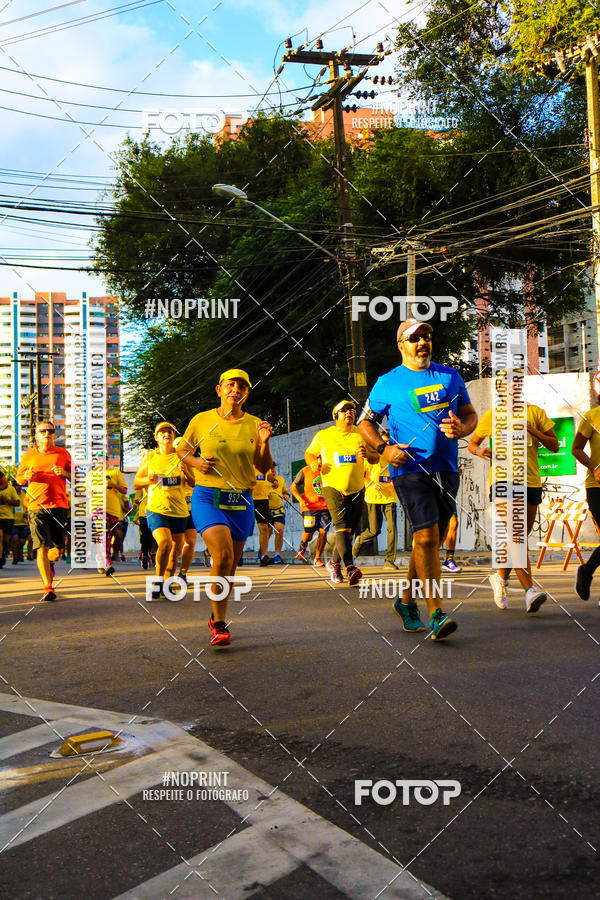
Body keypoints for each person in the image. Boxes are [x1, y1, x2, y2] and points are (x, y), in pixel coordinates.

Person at [358, 319, 477, 640]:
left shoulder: (449, 376)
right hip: (410, 469)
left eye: (426, 337)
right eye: (414, 338)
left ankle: (406, 601)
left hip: (447, 469)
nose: (422, 342)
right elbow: (364, 423)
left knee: (431, 542)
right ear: (401, 345)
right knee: (425, 538)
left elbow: (469, 414)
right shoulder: (387, 383)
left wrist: (464, 429)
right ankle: (437, 612)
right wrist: (384, 449)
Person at [177, 368, 273, 646]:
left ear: (247, 393)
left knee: (230, 564)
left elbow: (264, 467)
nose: (236, 391)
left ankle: (216, 613)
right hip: (208, 495)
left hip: (241, 499)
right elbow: (181, 449)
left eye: (242, 387)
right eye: (230, 385)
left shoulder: (256, 424)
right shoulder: (202, 420)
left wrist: (264, 444)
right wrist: (195, 463)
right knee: (222, 554)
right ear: (219, 390)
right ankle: (219, 625)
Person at [468, 402, 558, 612]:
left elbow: (554, 445)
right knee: (516, 533)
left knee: (517, 537)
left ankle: (500, 578)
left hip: (531, 481)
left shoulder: (535, 413)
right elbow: (473, 444)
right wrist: (479, 451)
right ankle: (530, 591)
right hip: (502, 481)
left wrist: (532, 429)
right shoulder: (492, 416)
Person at [306, 400, 378, 585]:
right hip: (332, 487)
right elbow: (309, 453)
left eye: (352, 410)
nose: (349, 413)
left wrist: (367, 455)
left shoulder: (361, 433)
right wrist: (314, 462)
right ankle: (350, 567)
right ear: (335, 415)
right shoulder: (324, 435)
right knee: (342, 527)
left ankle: (334, 564)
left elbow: (375, 457)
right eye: (344, 410)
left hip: (356, 489)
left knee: (349, 533)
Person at [134, 422, 193, 599]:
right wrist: (149, 480)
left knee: (175, 550)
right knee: (165, 542)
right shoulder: (150, 457)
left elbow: (193, 483)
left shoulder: (182, 457)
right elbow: (137, 482)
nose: (166, 435)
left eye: (170, 432)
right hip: (156, 509)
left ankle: (168, 583)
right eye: (162, 432)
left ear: (174, 436)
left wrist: (186, 473)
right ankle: (158, 580)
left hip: (179, 510)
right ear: (156, 437)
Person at [16, 420, 71, 602]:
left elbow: (77, 477)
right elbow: (20, 480)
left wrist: (65, 474)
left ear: (54, 434)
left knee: (57, 550)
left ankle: (50, 564)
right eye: (43, 431)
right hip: (36, 507)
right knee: (42, 546)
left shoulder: (63, 454)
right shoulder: (28, 456)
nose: (47, 434)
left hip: (59, 506)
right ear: (37, 435)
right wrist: (26, 476)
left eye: (50, 431)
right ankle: (48, 587)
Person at [571, 398, 600, 602]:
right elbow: (576, 448)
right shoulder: (592, 417)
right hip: (597, 486)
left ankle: (587, 571)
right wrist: (595, 467)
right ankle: (586, 571)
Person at [353, 453, 399, 570]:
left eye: (389, 441)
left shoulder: (394, 458)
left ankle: (389, 561)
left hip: (390, 497)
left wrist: (395, 482)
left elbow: (399, 475)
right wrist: (372, 484)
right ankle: (360, 539)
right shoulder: (371, 458)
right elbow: (361, 474)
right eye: (384, 441)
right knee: (374, 530)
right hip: (373, 497)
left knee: (392, 528)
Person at [290, 457, 331, 567]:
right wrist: (300, 500)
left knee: (323, 532)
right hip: (309, 508)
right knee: (309, 534)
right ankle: (302, 546)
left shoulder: (330, 470)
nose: (320, 462)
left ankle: (317, 558)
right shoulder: (305, 471)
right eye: (318, 459)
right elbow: (293, 487)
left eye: (322, 459)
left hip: (325, 508)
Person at [267, 462, 290, 564]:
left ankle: (277, 555)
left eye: (274, 468)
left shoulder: (280, 479)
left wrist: (286, 496)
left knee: (279, 530)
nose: (272, 470)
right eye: (270, 468)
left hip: (278, 509)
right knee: (266, 533)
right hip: (266, 509)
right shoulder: (262, 480)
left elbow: (285, 491)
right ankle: (262, 552)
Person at [252, 464, 275, 566]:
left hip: (262, 499)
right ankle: (237, 556)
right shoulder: (246, 459)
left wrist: (274, 481)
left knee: (264, 527)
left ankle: (263, 556)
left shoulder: (264, 462)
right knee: (242, 528)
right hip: (247, 497)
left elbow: (269, 476)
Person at [0, 474, 19, 567]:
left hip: (8, 518)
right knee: (0, 537)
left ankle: (3, 553)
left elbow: (17, 502)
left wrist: (6, 500)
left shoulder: (10, 489)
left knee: (6, 541)